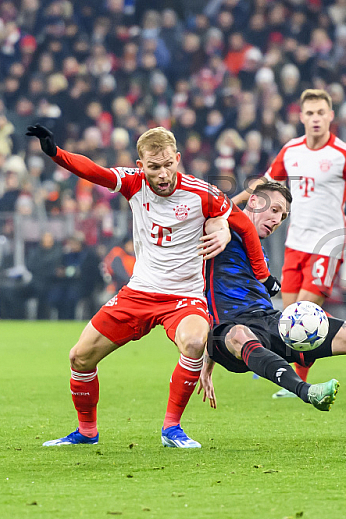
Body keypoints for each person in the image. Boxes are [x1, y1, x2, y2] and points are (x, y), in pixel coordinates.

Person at [27, 124, 278, 448]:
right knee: (80, 357)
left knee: (193, 342)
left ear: (177, 159)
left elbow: (243, 224)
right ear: (141, 164)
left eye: (167, 165)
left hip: (185, 297)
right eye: (154, 167)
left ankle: (172, 429)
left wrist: (263, 276)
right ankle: (87, 431)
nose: (161, 174)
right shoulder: (133, 183)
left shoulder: (202, 193)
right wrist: (55, 153)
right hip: (140, 292)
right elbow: (95, 172)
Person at [199, 181, 346, 443]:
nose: (277, 220)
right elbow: (211, 209)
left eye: (283, 216)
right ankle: (305, 391)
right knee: (239, 333)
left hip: (268, 322)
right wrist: (206, 357)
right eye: (274, 210)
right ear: (253, 202)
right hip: (226, 331)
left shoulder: (259, 256)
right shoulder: (225, 228)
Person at [232, 89, 346, 397]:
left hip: (328, 242)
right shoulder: (291, 150)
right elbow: (265, 185)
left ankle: (297, 379)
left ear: (331, 116)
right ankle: (345, 339)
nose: (316, 118)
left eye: (321, 112)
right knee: (288, 313)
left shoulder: (344, 153)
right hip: (296, 241)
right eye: (310, 113)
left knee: (304, 310)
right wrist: (235, 202)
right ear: (301, 116)